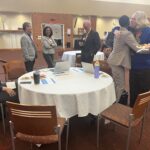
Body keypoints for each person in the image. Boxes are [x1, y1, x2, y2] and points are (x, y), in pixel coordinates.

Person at [107, 15, 146, 103]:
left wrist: (115, 30)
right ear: (128, 23)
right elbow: (138, 48)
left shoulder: (120, 31)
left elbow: (115, 29)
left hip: (116, 61)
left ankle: (113, 103)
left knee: (117, 84)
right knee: (120, 86)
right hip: (116, 62)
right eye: (131, 19)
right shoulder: (126, 34)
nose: (132, 21)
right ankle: (115, 108)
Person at [129, 11, 150, 107]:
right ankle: (132, 115)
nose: (131, 20)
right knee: (133, 93)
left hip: (145, 68)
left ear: (139, 20)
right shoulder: (133, 31)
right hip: (133, 67)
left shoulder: (148, 31)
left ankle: (143, 116)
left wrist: (137, 49)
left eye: (133, 19)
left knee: (143, 94)